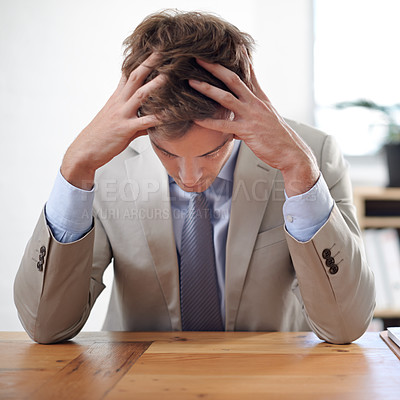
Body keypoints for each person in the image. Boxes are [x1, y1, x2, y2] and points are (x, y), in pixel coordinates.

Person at [14, 10, 375, 344]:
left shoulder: (313, 155)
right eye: (167, 153)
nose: (189, 176)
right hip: (137, 380)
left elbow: (346, 325)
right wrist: (73, 172)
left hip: (270, 379)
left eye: (210, 152)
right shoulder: (105, 163)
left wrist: (301, 175)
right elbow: (46, 327)